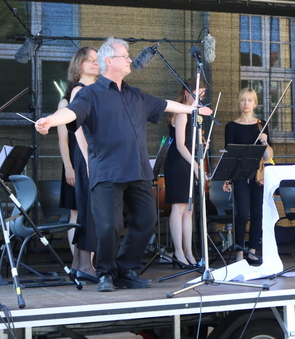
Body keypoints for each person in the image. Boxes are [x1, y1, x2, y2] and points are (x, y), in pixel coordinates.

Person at [34, 37, 211, 292]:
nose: (130, 59)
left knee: (147, 219)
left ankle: (126, 269)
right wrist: (50, 120)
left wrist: (191, 109)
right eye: (125, 56)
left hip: (137, 170)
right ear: (109, 61)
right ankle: (106, 273)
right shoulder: (90, 94)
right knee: (109, 226)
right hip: (107, 172)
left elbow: (163, 104)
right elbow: (71, 113)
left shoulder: (135, 94)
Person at [57, 47, 98, 282]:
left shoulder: (98, 91)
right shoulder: (73, 96)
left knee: (87, 212)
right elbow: (66, 137)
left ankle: (81, 263)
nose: (95, 63)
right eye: (89, 60)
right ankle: (83, 263)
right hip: (81, 159)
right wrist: (69, 167)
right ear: (78, 65)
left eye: (96, 60)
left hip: (91, 157)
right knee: (82, 211)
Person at [223, 88, 274, 265]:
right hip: (239, 174)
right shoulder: (231, 126)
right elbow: (229, 153)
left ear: (255, 103)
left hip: (258, 175)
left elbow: (269, 155)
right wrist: (228, 178)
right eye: (243, 100)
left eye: (250, 100)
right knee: (242, 214)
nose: (246, 103)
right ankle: (239, 251)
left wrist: (264, 142)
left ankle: (252, 250)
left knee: (258, 213)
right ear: (239, 103)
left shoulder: (262, 124)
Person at [163, 79, 210, 269]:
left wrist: (201, 142)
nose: (200, 97)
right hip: (179, 163)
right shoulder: (182, 112)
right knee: (179, 208)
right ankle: (178, 252)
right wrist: (197, 166)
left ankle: (189, 252)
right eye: (197, 93)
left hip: (189, 162)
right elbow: (180, 145)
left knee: (189, 210)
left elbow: (192, 142)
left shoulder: (194, 114)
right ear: (186, 93)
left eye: (203, 94)